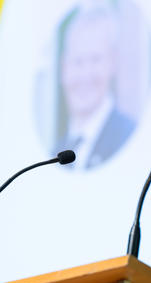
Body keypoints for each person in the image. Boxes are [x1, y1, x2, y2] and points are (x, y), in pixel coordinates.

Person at [53, 5, 136, 170]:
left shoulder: (127, 134)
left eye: (95, 59)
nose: (86, 74)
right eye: (78, 61)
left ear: (112, 63)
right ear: (64, 68)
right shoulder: (55, 151)